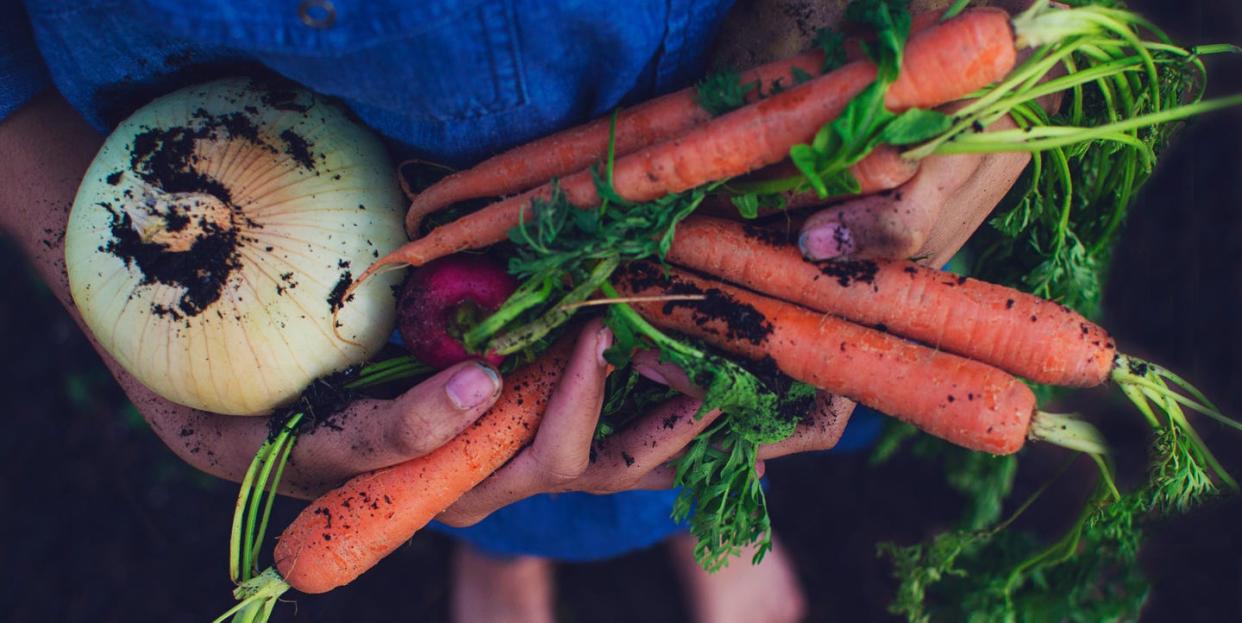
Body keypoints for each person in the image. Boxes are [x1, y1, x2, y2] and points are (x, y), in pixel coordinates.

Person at [0, 1, 1030, 620]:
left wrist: (989, 39)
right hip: (317, 233)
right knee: (469, 428)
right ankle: (512, 550)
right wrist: (148, 338)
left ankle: (700, 522)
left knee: (707, 391)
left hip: (767, 127)